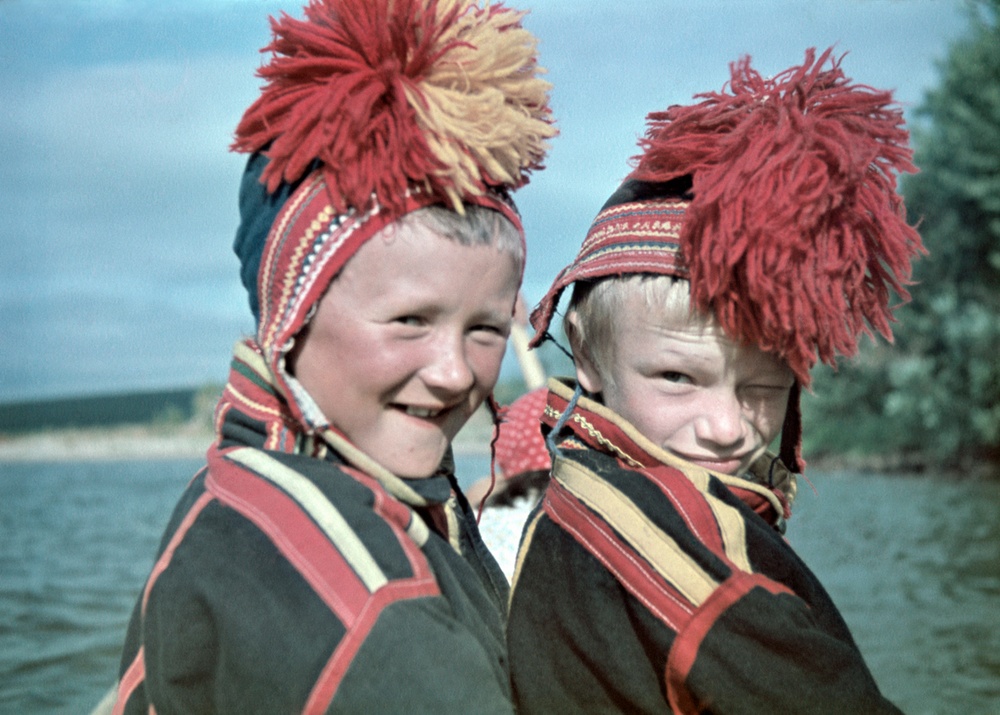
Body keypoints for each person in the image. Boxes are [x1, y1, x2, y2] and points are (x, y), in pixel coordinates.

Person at [111, 0, 554, 712]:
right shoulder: (371, 609)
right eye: (411, 320)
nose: (454, 372)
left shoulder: (243, 484)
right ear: (292, 318)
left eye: (487, 328)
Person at [506, 48, 923, 713]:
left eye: (763, 386)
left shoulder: (575, 483)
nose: (728, 427)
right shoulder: (688, 546)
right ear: (583, 352)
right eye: (677, 376)